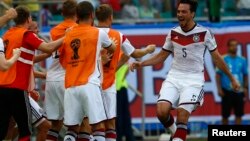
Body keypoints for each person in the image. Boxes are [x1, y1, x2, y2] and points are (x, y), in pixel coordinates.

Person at [130, 0, 240, 141]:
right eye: (178, 11)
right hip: (174, 77)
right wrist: (142, 64)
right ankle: (177, 134)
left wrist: (232, 78)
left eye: (184, 12)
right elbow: (161, 56)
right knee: (161, 112)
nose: (180, 14)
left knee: (182, 114)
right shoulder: (173, 33)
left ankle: (178, 136)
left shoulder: (204, 33)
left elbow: (217, 58)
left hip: (193, 80)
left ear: (192, 14)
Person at [0, 5, 64, 141]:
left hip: (3, 86)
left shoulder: (7, 34)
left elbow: (26, 60)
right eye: (35, 28)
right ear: (28, 19)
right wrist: (67, 36)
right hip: (17, 88)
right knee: (26, 130)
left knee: (7, 127)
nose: (38, 31)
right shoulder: (26, 35)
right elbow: (48, 47)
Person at [92, 4, 155, 141]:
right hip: (109, 85)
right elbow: (135, 53)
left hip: (91, 84)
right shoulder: (119, 36)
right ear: (111, 17)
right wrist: (148, 50)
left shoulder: (90, 33)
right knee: (110, 123)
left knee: (92, 124)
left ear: (96, 18)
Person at [59, 1, 115, 141]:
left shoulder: (68, 35)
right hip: (90, 84)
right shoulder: (98, 32)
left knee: (72, 129)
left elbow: (63, 61)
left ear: (76, 15)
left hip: (70, 86)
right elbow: (112, 48)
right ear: (92, 15)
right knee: (97, 126)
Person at [44, 0, 78, 140]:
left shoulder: (54, 30)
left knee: (55, 124)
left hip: (52, 78)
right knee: (78, 122)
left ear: (62, 13)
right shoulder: (79, 29)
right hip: (67, 77)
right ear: (77, 13)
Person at [216, 39, 248, 125]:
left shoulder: (242, 60)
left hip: (239, 91)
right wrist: (219, 89)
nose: (235, 47)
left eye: (236, 45)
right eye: (232, 45)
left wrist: (245, 87)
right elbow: (218, 75)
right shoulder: (223, 59)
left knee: (239, 114)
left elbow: (245, 74)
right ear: (228, 47)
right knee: (225, 115)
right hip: (227, 90)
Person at [116, 63, 135, 141]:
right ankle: (129, 137)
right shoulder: (124, 53)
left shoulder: (115, 54)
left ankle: (119, 138)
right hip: (122, 86)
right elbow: (127, 68)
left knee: (118, 116)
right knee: (125, 115)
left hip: (115, 87)